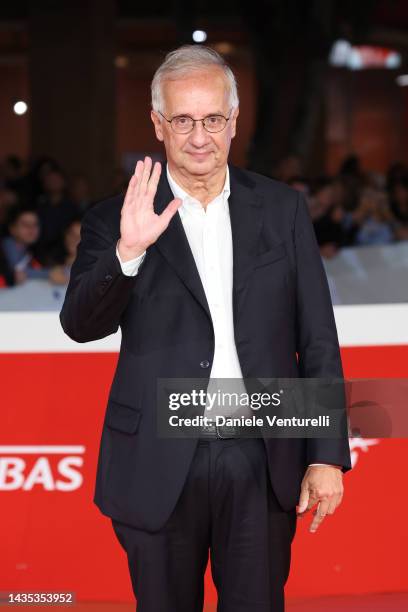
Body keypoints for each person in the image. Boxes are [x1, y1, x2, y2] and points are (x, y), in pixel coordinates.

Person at [60, 45, 351, 612]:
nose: (200, 137)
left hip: (261, 456)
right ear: (158, 124)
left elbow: (316, 337)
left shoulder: (282, 209)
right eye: (184, 121)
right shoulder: (116, 216)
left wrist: (325, 455)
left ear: (234, 121)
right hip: (158, 458)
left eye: (213, 119)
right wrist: (127, 252)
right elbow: (79, 325)